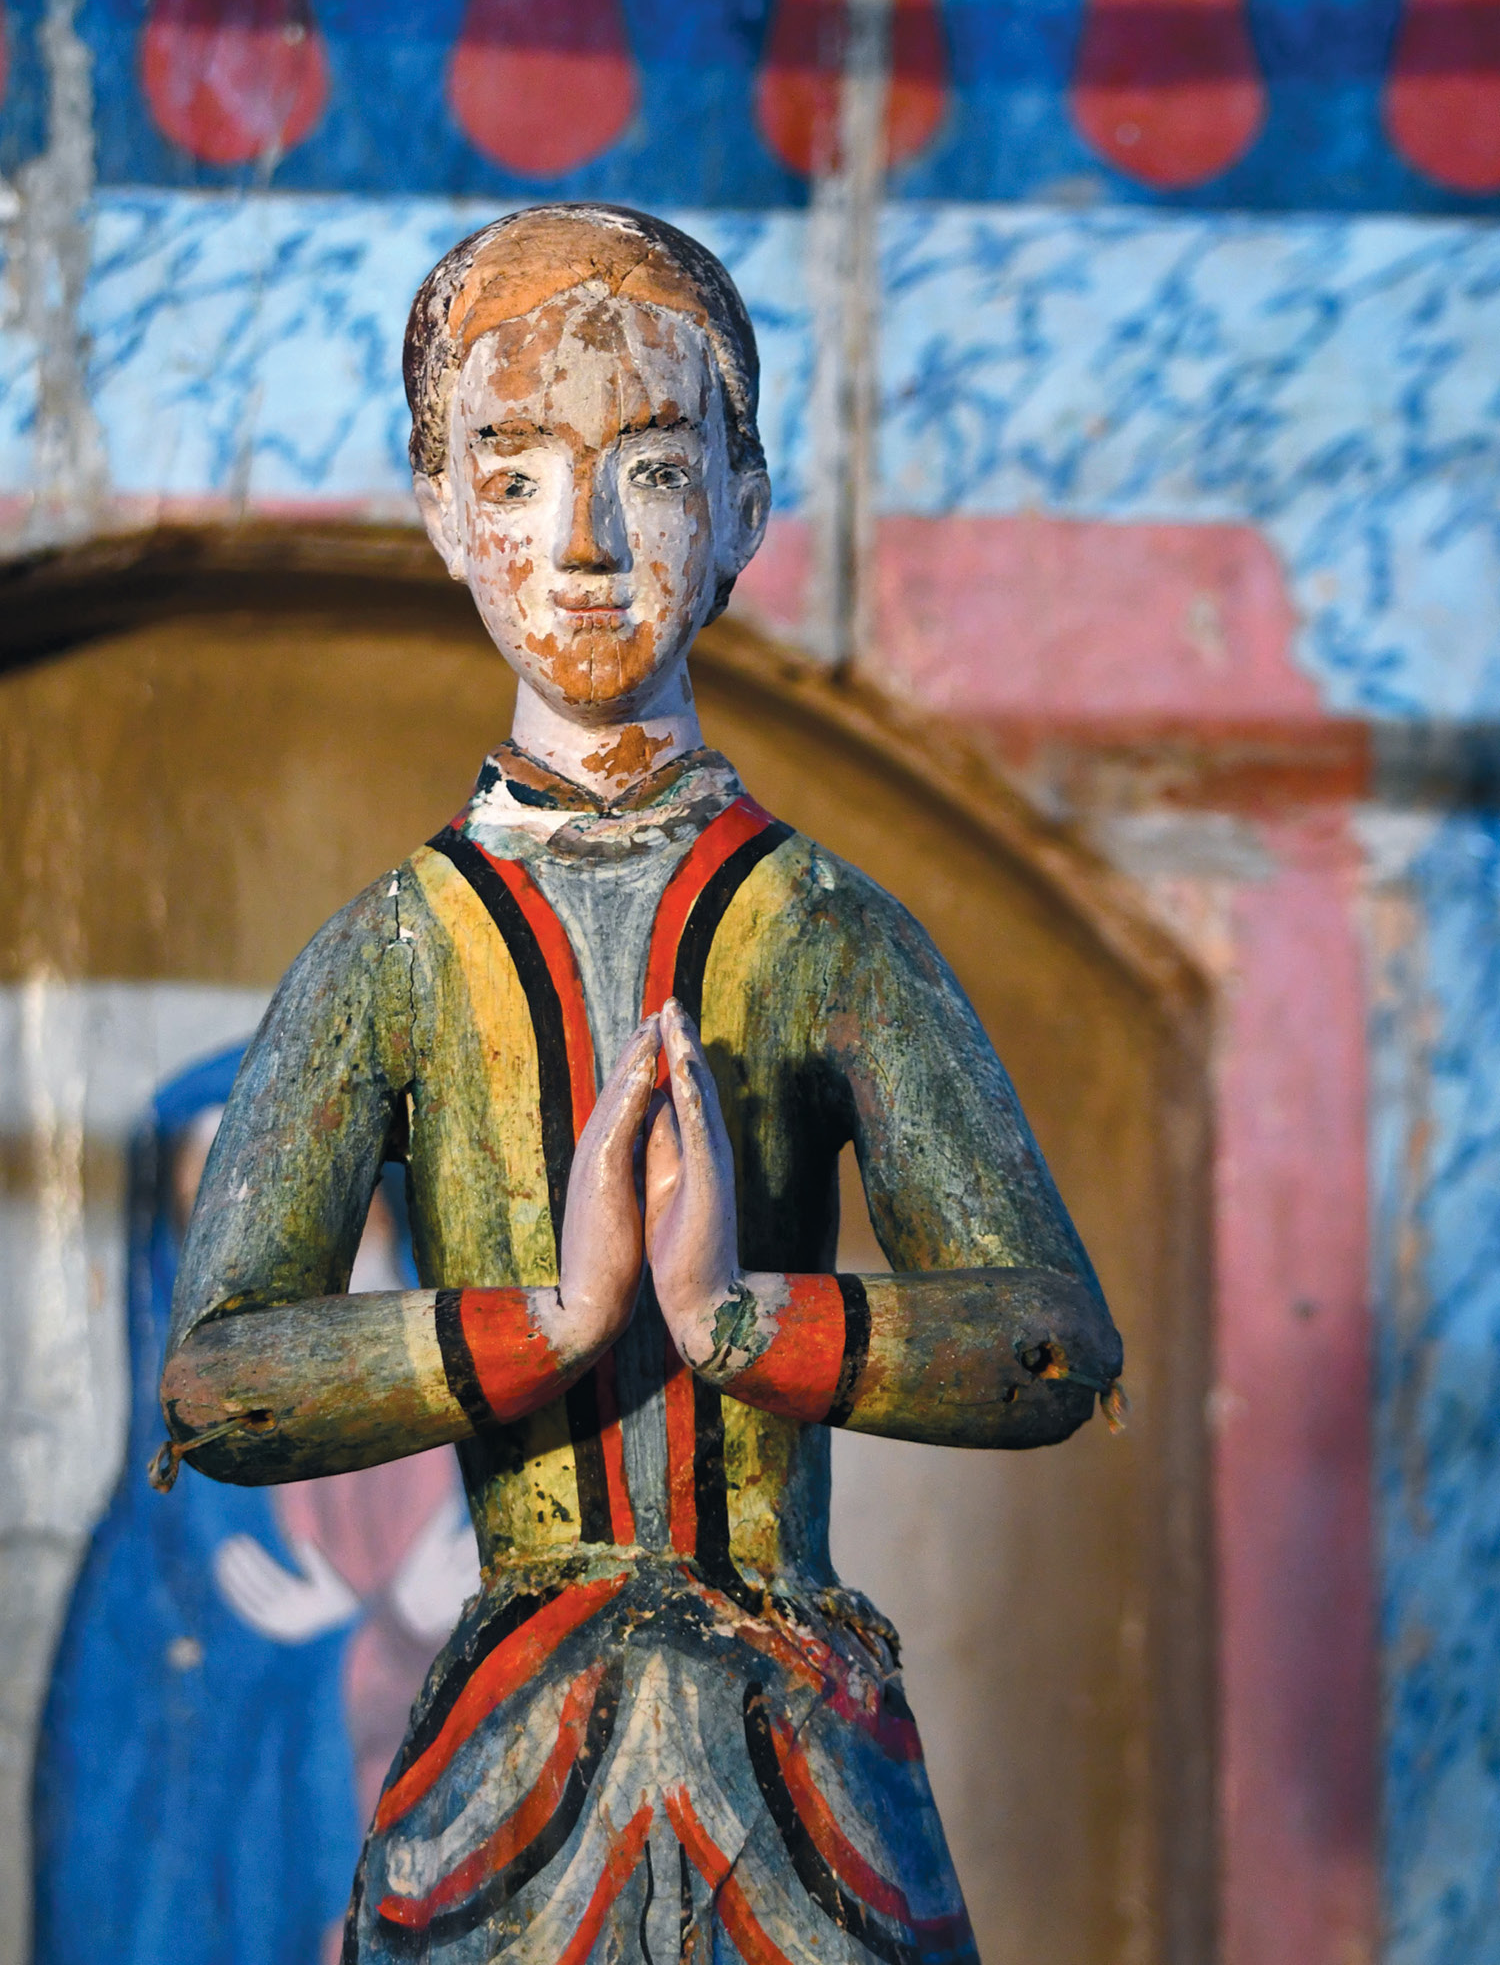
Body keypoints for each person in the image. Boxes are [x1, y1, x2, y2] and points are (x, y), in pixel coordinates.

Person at [158, 204, 1123, 1965]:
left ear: (746, 507)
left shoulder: (826, 932)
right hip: (509, 1779)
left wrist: (741, 1320)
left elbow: (1052, 1341)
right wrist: (551, 1320)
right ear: (441, 512)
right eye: (517, 474)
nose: (586, 541)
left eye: (656, 468)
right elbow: (221, 1384)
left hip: (795, 1770)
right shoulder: (396, 953)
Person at [34, 1047, 475, 1965]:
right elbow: (123, 1822)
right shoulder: (152, 1551)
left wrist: (470, 1613)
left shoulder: (475, 1439)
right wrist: (297, 1652)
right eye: (212, 1215)